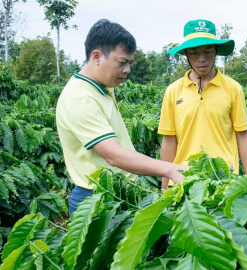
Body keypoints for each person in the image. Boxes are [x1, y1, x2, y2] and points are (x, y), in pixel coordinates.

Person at [56, 19, 188, 217]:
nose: (128, 70)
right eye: (122, 62)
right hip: (97, 200)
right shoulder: (80, 98)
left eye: (129, 63)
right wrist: (169, 169)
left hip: (117, 194)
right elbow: (113, 155)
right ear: (97, 56)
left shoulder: (100, 87)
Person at [158, 19, 247, 189]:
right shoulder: (173, 91)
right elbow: (169, 139)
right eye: (194, 52)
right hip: (182, 179)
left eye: (208, 51)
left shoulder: (233, 89)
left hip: (223, 179)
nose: (201, 59)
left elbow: (243, 135)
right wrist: (165, 186)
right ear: (186, 54)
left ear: (216, 51)